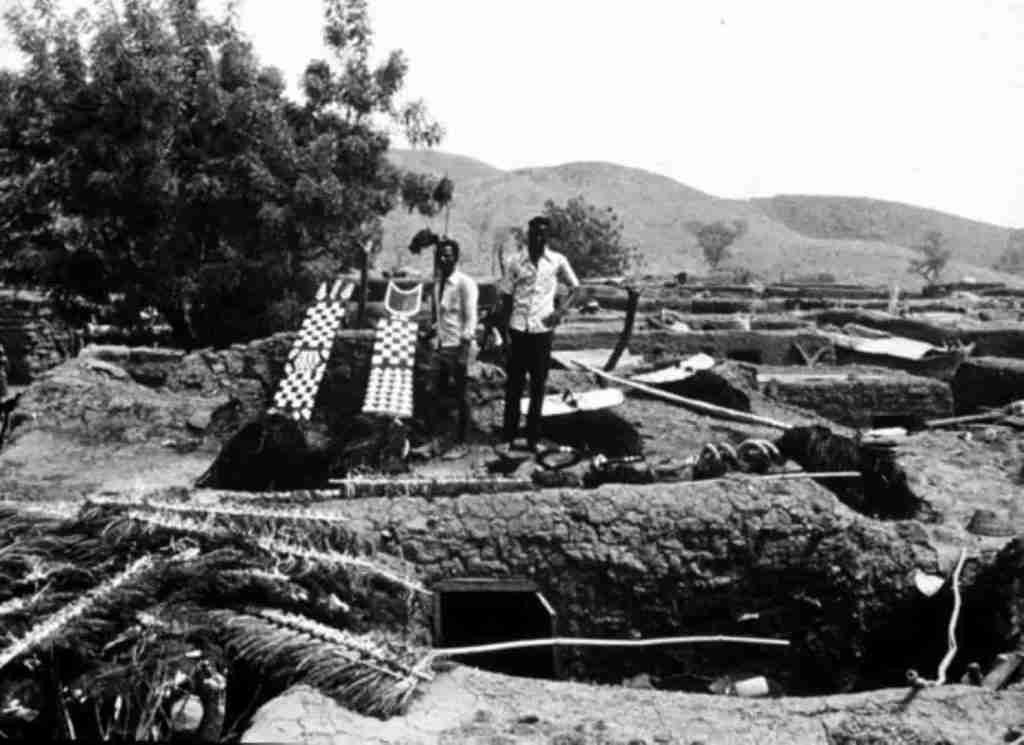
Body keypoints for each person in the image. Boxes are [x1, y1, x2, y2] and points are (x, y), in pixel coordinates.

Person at [499, 215, 580, 452]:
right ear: (529, 235)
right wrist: (505, 335)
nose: (538, 237)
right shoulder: (515, 262)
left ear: (547, 236)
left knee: (537, 386)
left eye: (543, 233)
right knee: (513, 386)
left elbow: (576, 287)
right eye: (534, 233)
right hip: (518, 329)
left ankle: (533, 437)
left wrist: (559, 312)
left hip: (542, 331)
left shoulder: (556, 261)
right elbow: (505, 295)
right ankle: (508, 436)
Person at [430, 238, 478, 458]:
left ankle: (463, 442)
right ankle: (439, 441)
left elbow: (470, 319)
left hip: (458, 346)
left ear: (456, 258)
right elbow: (442, 318)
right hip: (441, 346)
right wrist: (430, 332)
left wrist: (464, 350)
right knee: (438, 394)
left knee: (461, 395)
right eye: (440, 255)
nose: (443, 259)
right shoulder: (438, 284)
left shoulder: (464, 283)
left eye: (448, 255)